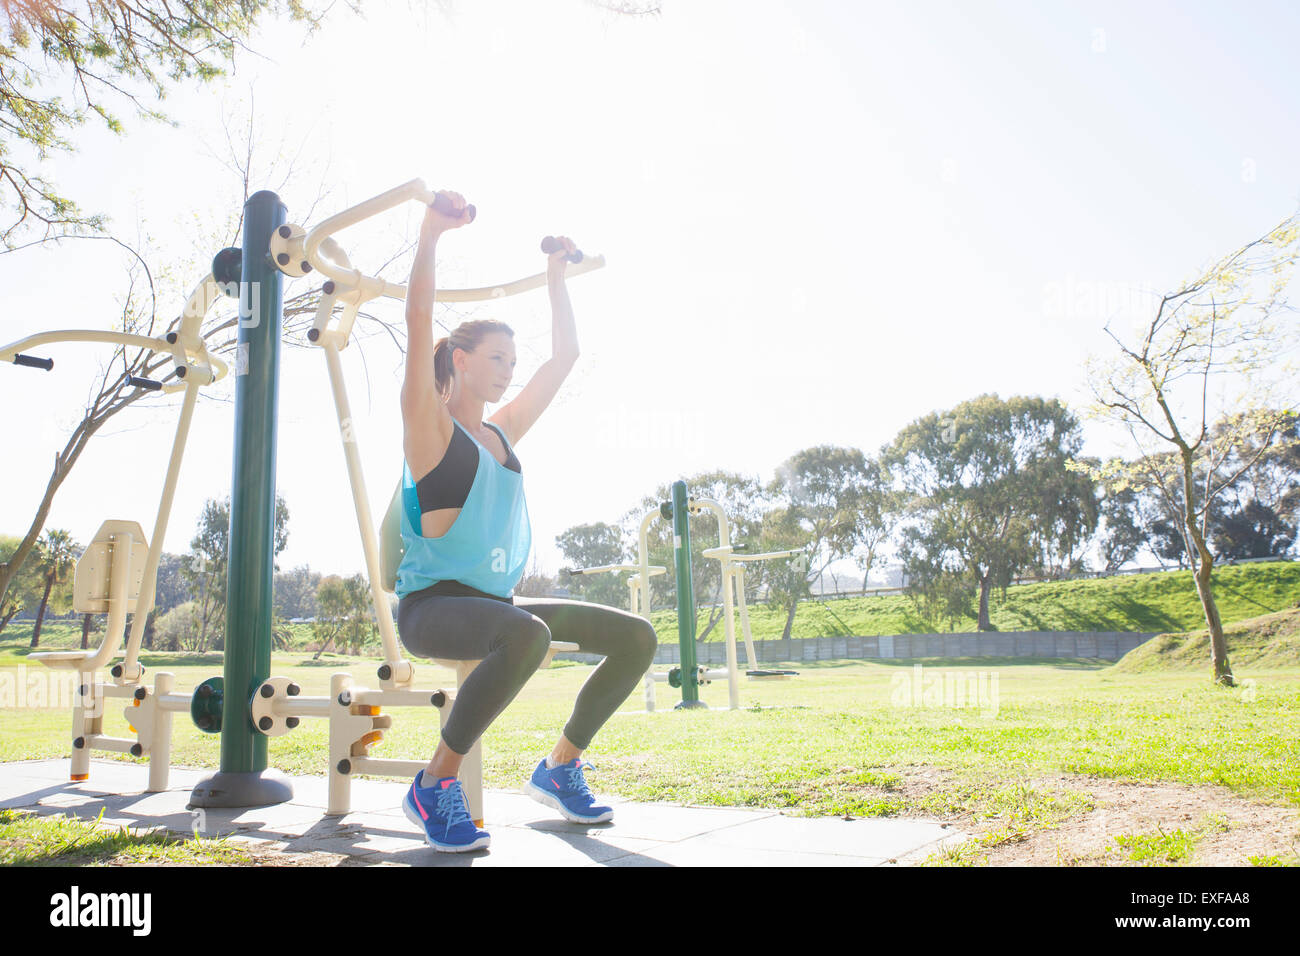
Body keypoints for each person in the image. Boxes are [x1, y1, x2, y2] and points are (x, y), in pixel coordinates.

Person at [396, 190, 658, 852]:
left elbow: (563, 358)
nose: (509, 375)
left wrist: (555, 280)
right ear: (459, 360)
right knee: (526, 635)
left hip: (498, 606)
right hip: (432, 609)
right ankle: (433, 784)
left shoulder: (503, 433)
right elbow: (420, 317)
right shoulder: (428, 428)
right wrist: (430, 237)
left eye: (512, 363)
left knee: (635, 637)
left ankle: (560, 766)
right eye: (495, 361)